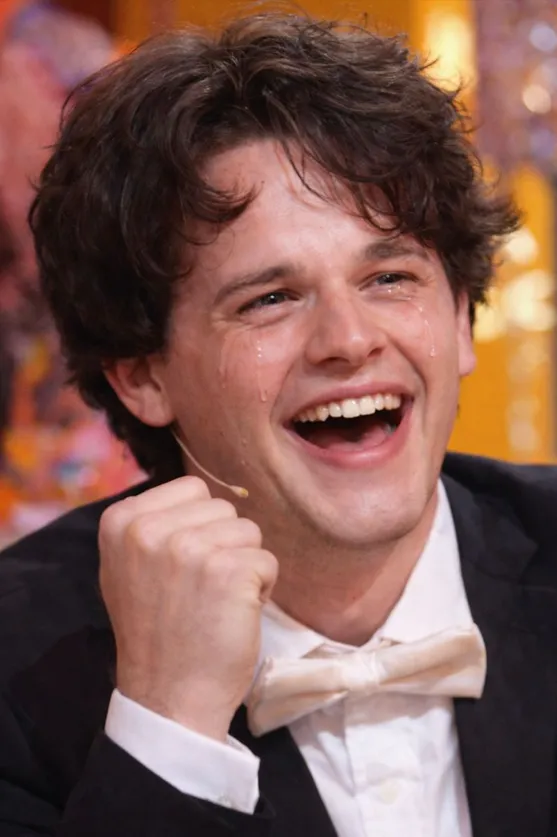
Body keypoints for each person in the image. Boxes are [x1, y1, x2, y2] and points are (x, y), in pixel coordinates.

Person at [0, 11, 553, 837]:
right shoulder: (17, 665)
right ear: (143, 374)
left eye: (389, 277)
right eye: (270, 298)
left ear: (461, 318)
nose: (349, 340)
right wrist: (169, 725)